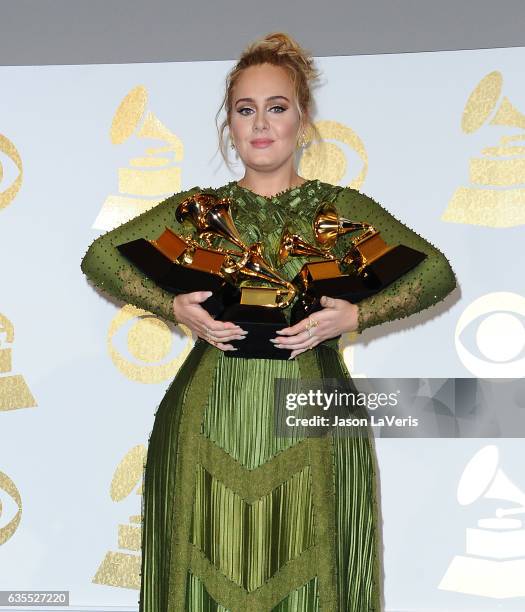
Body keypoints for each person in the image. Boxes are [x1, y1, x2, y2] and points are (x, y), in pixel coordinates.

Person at [81, 32, 457, 612]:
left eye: (276, 108)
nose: (261, 123)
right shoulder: (199, 212)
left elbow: (435, 273)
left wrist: (357, 314)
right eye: (245, 109)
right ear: (228, 123)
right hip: (209, 414)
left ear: (301, 121)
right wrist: (173, 307)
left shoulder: (339, 210)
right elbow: (100, 257)